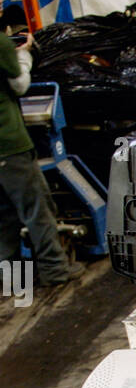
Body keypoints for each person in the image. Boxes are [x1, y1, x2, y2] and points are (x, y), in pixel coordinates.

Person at [0, 28, 83, 286]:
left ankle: (11, 279)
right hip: (9, 144)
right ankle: (55, 270)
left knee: (4, 216)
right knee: (37, 208)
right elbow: (20, 85)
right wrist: (23, 56)